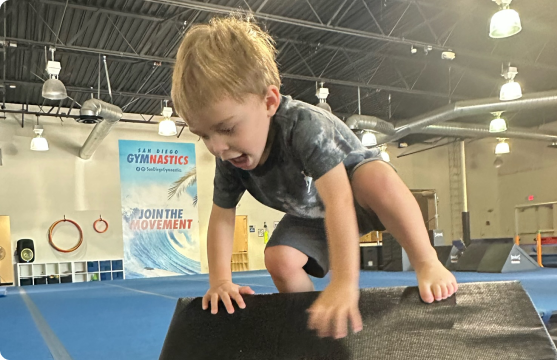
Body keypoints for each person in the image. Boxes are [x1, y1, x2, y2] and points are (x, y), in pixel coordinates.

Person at [171, 14, 458, 340]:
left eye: (226, 128)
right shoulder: (230, 159)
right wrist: (221, 281)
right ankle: (314, 327)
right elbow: (222, 217)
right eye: (203, 135)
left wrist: (343, 285)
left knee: (375, 177)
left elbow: (340, 200)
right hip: (313, 212)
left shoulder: (304, 127)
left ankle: (427, 261)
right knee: (279, 259)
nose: (217, 147)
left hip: (355, 193)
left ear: (269, 102)